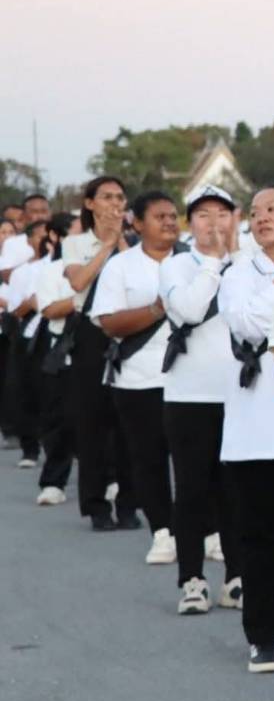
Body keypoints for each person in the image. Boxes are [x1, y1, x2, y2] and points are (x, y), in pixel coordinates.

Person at [220, 184, 274, 673]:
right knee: (259, 542)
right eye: (254, 212)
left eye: (273, 209)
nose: (261, 218)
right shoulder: (238, 272)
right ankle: (263, 636)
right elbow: (249, 325)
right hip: (254, 431)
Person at [159, 185, 241, 615]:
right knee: (191, 491)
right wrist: (212, 261)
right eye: (204, 215)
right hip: (189, 396)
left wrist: (231, 259)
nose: (214, 223)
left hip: (240, 395)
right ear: (190, 223)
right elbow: (190, 310)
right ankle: (192, 579)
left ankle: (236, 577)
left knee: (236, 492)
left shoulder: (247, 265)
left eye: (222, 214)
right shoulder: (175, 265)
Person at [91, 191, 180, 565]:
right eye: (160, 217)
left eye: (173, 216)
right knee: (148, 460)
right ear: (138, 224)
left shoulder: (194, 261)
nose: (169, 222)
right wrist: (156, 310)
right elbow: (108, 322)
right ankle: (163, 532)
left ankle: (207, 531)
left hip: (191, 380)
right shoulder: (121, 266)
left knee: (199, 463)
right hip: (139, 379)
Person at [63, 177, 139, 531]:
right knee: (92, 421)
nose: (114, 204)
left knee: (129, 422)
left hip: (129, 331)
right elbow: (78, 282)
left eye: (120, 198)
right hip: (91, 333)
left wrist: (121, 241)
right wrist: (106, 245)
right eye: (106, 197)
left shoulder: (136, 243)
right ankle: (95, 505)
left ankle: (129, 503)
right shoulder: (75, 243)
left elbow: (137, 280)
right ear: (90, 203)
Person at [31, 214, 79, 505]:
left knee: (106, 422)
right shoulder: (51, 271)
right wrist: (82, 297)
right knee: (59, 421)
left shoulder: (107, 264)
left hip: (100, 353)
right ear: (57, 237)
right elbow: (49, 310)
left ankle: (110, 478)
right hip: (65, 353)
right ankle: (53, 482)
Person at [1, 219, 55, 468]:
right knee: (28, 390)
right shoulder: (23, 272)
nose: (45, 240)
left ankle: (58, 447)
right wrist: (33, 302)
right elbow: (15, 310)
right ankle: (30, 449)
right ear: (30, 240)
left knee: (56, 394)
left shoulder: (61, 266)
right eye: (40, 236)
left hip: (59, 334)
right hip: (31, 336)